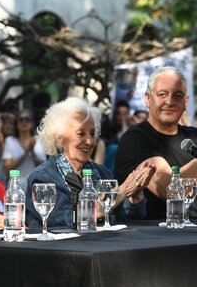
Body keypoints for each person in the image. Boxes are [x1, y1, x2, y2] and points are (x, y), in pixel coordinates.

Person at [115, 66, 197, 219]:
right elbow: (169, 189)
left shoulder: (195, 136)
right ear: (147, 98)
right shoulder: (135, 138)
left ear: (186, 102)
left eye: (177, 95)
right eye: (162, 94)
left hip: (195, 234)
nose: (170, 101)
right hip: (151, 237)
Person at [26, 97, 156, 229]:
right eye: (81, 133)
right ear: (59, 139)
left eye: (92, 134)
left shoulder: (102, 173)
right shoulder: (42, 178)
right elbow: (66, 219)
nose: (89, 141)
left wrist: (135, 197)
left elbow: (123, 221)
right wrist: (121, 192)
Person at [2, 110, 47, 190]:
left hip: (34, 186)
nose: (24, 122)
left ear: (32, 123)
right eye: (21, 119)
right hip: (15, 187)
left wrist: (32, 152)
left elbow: (43, 167)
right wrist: (25, 152)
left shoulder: (39, 140)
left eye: (27, 119)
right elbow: (7, 169)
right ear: (16, 123)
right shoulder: (10, 140)